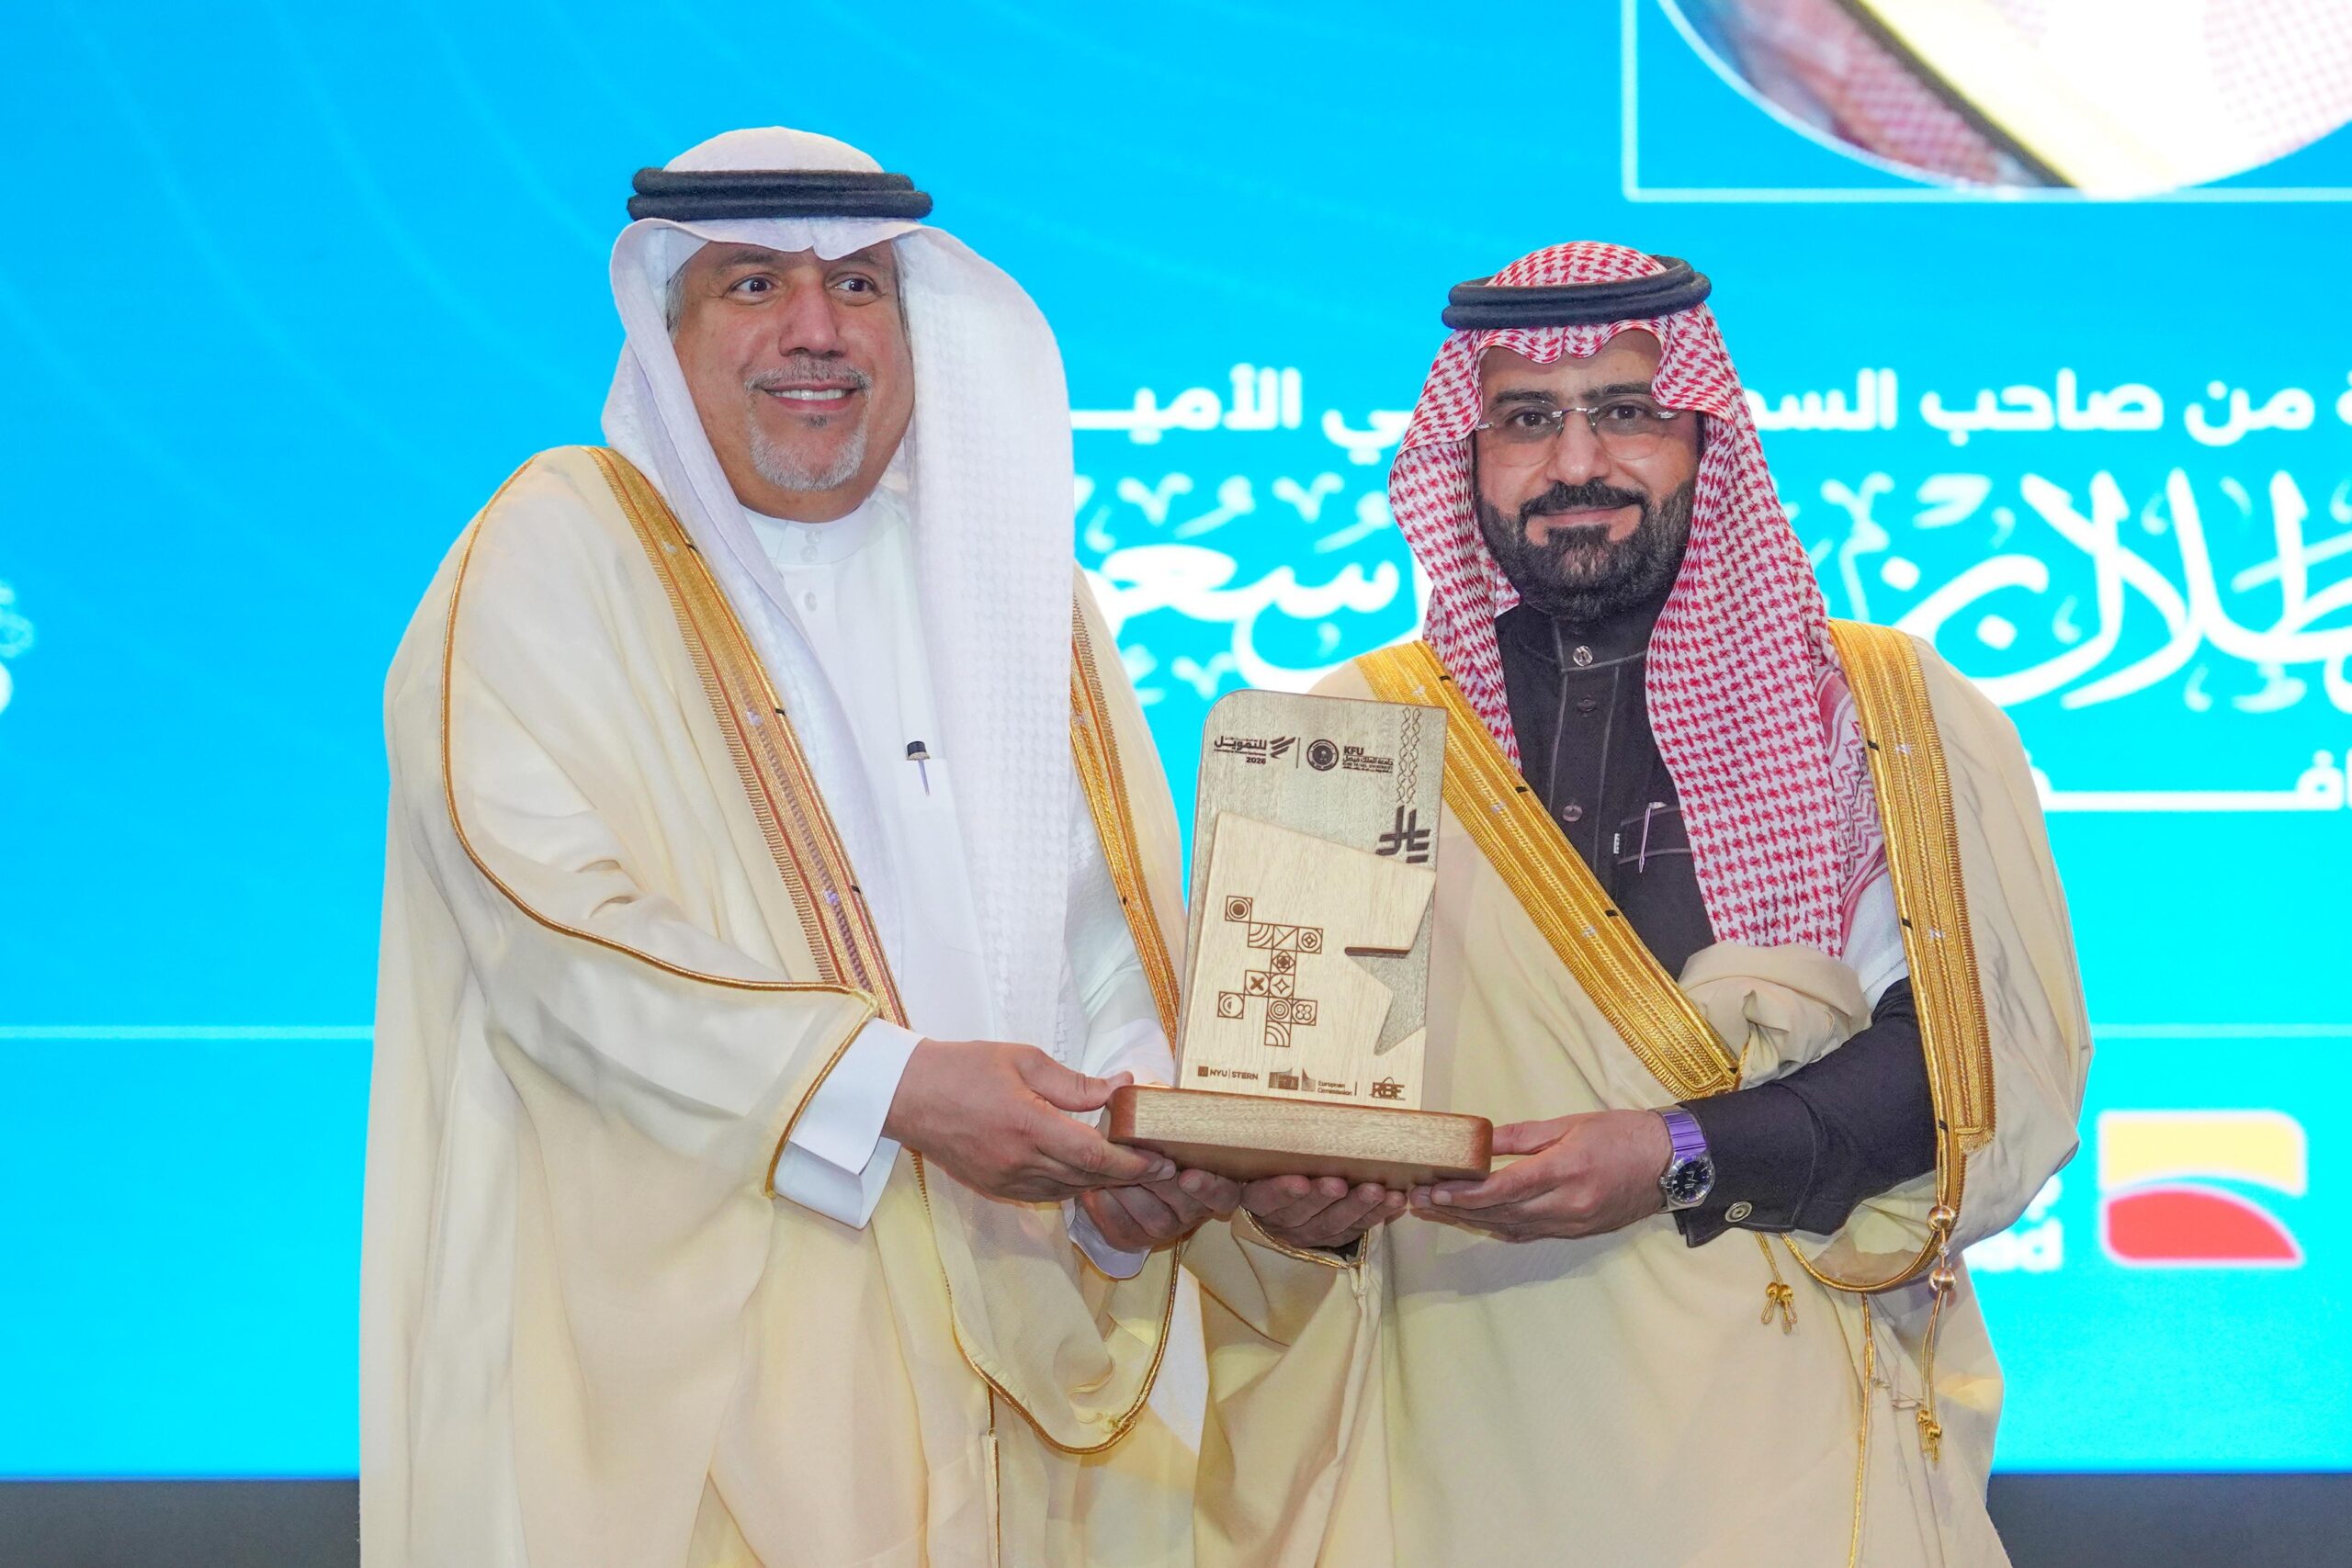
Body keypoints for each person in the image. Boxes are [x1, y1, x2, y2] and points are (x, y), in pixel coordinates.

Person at [362, 126, 1233, 1568]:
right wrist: (897, 1088)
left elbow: (1107, 938)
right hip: (683, 1384)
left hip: (1016, 1359)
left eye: (859, 287)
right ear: (668, 332)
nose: (815, 331)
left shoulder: (1020, 590)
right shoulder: (559, 552)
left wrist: (1129, 1147)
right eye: (754, 285)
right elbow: (554, 941)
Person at [1187, 243, 2090, 1567]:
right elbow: (1276, 1132)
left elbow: (1962, 1068)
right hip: (1448, 1432)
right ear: (1464, 454)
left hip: (1772, 1431)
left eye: (1627, 412)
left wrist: (1674, 1152)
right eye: (1525, 420)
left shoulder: (1877, 713)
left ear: (1705, 440)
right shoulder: (1336, 739)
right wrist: (1286, 1208)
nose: (1575, 464)